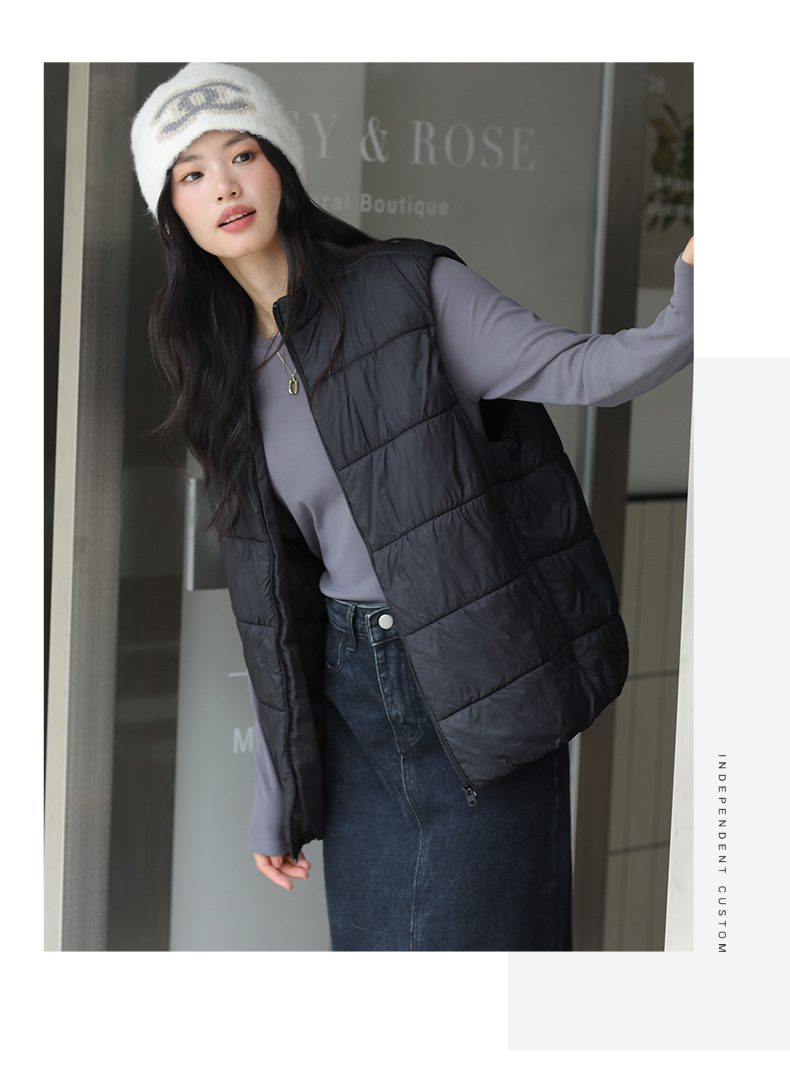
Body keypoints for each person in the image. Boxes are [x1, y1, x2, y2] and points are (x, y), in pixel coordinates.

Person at [131, 63, 693, 951]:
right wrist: (277, 793)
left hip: (473, 677)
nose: (225, 187)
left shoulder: (409, 290)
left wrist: (693, 299)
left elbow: (588, 370)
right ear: (174, 213)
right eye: (192, 174)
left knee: (485, 972)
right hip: (354, 699)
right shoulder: (219, 364)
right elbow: (271, 604)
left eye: (242, 154)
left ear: (281, 165)